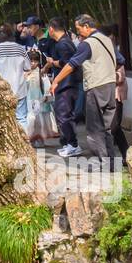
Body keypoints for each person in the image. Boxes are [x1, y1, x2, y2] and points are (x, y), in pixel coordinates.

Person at [50, 15, 118, 168]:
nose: (78, 33)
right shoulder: (107, 39)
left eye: (79, 29)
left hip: (96, 87)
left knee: (94, 128)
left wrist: (56, 80)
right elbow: (120, 60)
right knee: (106, 127)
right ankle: (111, 162)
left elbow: (71, 64)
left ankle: (103, 162)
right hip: (110, 86)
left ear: (87, 26)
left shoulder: (87, 44)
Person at [42, 16, 81, 157]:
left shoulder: (63, 44)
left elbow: (68, 63)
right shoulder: (65, 41)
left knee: (64, 115)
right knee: (64, 114)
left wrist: (53, 62)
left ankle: (73, 144)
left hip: (67, 84)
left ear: (51, 29)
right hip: (66, 84)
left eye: (48, 29)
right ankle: (68, 143)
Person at [0, 23, 31, 125]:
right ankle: (24, 140)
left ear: (0, 37)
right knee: (21, 118)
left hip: (2, 90)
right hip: (19, 89)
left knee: (4, 120)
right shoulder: (20, 49)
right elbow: (28, 67)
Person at [100, 24, 129, 160]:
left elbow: (120, 77)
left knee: (114, 126)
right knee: (111, 127)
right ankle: (123, 155)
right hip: (105, 94)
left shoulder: (115, 53)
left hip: (115, 95)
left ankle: (125, 155)